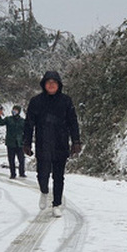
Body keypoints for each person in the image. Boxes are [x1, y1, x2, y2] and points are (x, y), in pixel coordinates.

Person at [23, 71, 81, 217]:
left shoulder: (66, 101)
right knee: (42, 174)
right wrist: (27, 143)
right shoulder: (36, 101)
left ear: (59, 85)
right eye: (48, 82)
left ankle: (57, 204)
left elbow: (73, 122)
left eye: (54, 82)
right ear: (44, 84)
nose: (51, 85)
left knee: (58, 176)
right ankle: (43, 191)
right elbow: (29, 124)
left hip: (60, 143)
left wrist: (75, 141)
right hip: (43, 143)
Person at [0, 105, 26, 179]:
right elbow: (0, 123)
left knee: (22, 159)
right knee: (11, 159)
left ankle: (22, 172)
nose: (14, 111)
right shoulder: (8, 119)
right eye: (13, 110)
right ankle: (13, 174)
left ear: (19, 112)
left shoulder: (22, 121)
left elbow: (26, 130)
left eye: (16, 110)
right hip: (10, 143)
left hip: (19, 143)